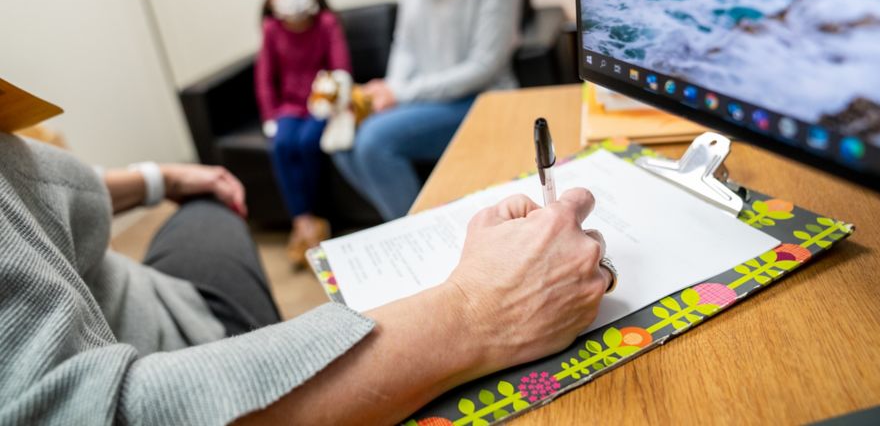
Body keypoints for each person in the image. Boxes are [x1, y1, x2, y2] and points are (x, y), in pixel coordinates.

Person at [0, 125, 613, 425]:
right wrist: (480, 310)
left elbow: (36, 190)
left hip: (119, 285)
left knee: (206, 201)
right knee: (216, 214)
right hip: (198, 343)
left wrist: (162, 178)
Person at [332, 0, 521, 221]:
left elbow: (484, 67)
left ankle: (420, 234)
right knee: (341, 138)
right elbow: (405, 42)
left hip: (479, 100)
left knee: (374, 142)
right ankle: (407, 226)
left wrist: (401, 93)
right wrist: (387, 90)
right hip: (426, 98)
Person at [255, 0, 351, 263]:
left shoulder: (326, 23)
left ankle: (314, 218)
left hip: (322, 103)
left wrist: (333, 98)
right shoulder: (271, 30)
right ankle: (303, 221)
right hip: (288, 107)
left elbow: (341, 69)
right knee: (283, 144)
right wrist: (270, 117)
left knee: (309, 143)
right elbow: (264, 79)